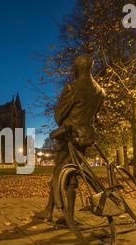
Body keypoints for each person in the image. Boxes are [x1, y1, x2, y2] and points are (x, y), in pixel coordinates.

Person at [35, 55, 106, 224]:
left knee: (59, 173)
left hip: (69, 136)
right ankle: (67, 215)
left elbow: (59, 116)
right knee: (73, 176)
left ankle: (51, 212)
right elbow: (95, 115)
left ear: (77, 69)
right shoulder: (100, 91)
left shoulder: (72, 88)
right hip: (85, 137)